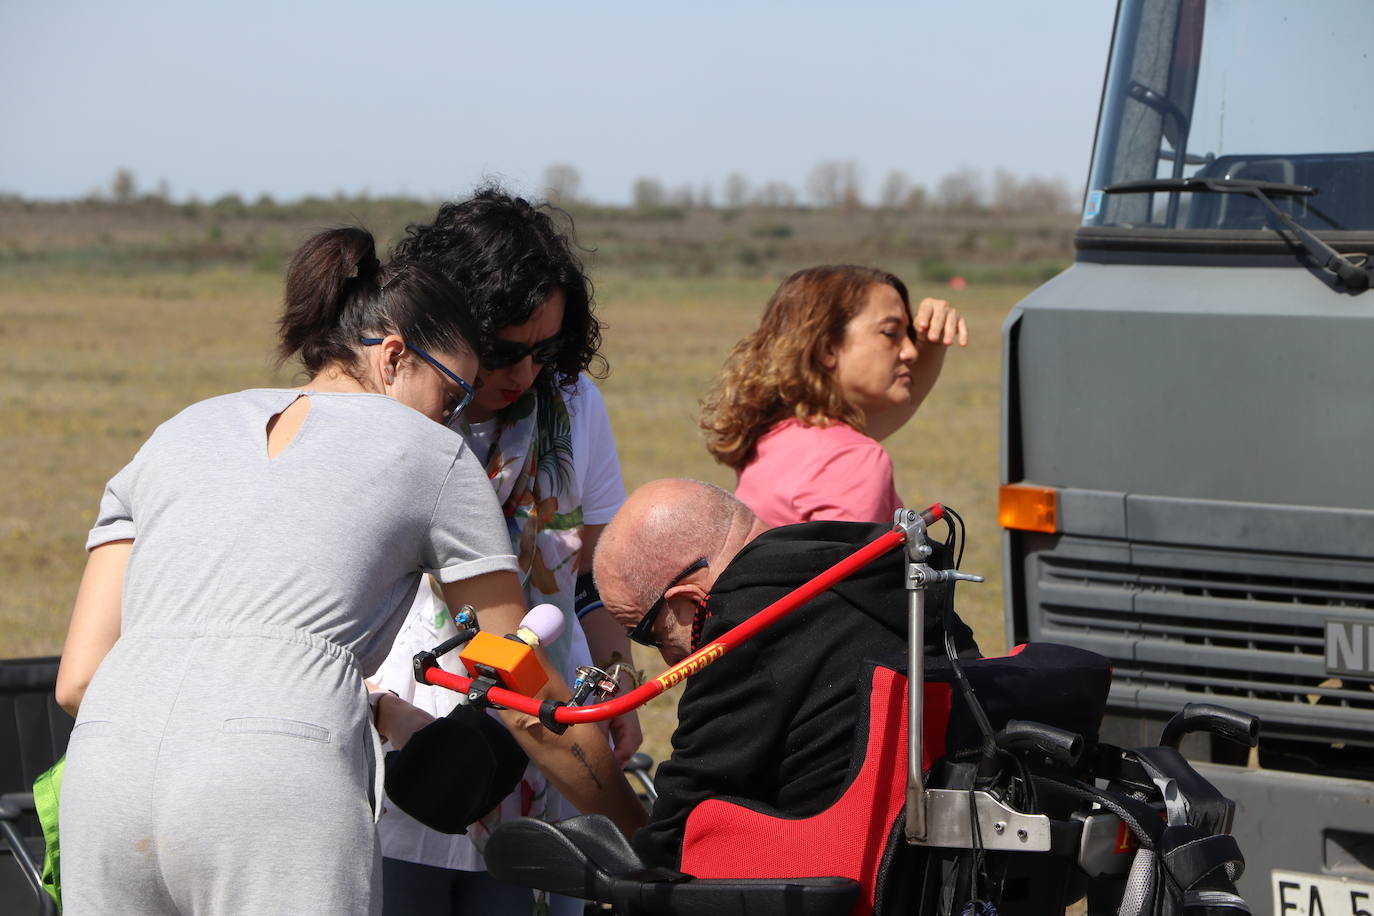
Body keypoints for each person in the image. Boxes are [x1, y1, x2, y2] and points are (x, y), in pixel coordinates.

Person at [50, 227, 644, 915]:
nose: (454, 421)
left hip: (105, 781)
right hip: (275, 790)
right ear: (394, 357)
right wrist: (642, 837)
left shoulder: (176, 434)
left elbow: (80, 679)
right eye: (452, 397)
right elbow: (519, 694)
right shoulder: (433, 454)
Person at [369, 188, 641, 915]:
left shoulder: (575, 404)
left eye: (542, 349)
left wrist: (615, 680)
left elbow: (590, 579)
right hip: (409, 736)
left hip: (544, 734)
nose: (523, 373)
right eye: (502, 351)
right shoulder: (390, 413)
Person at [592, 479, 979, 871]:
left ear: (688, 599)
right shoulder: (874, 574)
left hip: (828, 879)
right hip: (942, 867)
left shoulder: (745, 627)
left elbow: (679, 832)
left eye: (649, 635)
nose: (667, 663)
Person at [699, 265, 969, 527]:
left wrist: (932, 342)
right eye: (890, 333)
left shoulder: (776, 435)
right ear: (827, 348)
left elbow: (904, 401)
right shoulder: (847, 459)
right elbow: (851, 573)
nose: (910, 352)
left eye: (908, 336)